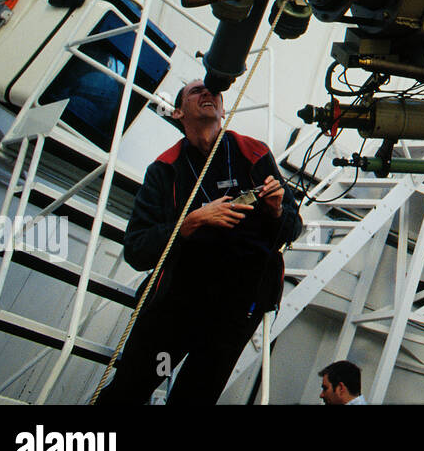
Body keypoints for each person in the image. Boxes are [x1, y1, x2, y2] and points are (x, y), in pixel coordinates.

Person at [95, 79, 301, 404]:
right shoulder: (163, 170)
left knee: (192, 401)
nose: (207, 93)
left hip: (235, 312)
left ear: (222, 108)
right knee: (130, 391)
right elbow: (137, 248)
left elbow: (292, 228)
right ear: (178, 112)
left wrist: (276, 211)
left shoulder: (254, 152)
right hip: (177, 308)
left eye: (213, 91)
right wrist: (189, 224)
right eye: (195, 91)